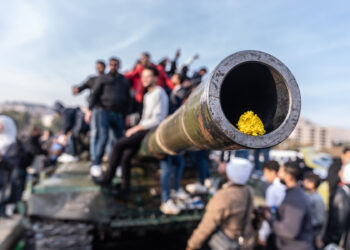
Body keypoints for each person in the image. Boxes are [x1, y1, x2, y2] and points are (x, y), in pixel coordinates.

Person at [93, 66, 169, 198]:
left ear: (156, 78)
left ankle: (107, 179)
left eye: (148, 76)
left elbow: (158, 119)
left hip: (151, 131)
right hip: (144, 128)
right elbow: (145, 118)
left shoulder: (159, 92)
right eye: (143, 77)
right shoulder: (147, 95)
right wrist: (136, 128)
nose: (145, 79)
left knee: (118, 144)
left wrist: (136, 129)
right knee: (126, 156)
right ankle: (125, 189)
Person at [186, 157, 255, 250]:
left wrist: (192, 245)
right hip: (246, 242)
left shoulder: (224, 195)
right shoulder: (249, 191)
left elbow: (208, 224)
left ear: (230, 174)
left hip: (227, 243)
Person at [87, 57, 130, 172]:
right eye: (111, 64)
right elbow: (94, 94)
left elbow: (128, 99)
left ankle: (116, 165)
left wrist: (127, 115)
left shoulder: (124, 81)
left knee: (117, 140)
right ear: (109, 65)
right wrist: (89, 110)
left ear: (119, 66)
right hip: (104, 111)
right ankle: (96, 164)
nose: (113, 66)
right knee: (103, 137)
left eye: (116, 64)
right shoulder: (103, 78)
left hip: (119, 114)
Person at [265, 161, 314, 250]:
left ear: (289, 177)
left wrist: (269, 218)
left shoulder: (295, 199)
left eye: (280, 172)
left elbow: (289, 230)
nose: (278, 175)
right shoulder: (295, 194)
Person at [72, 60, 106, 162]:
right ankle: (94, 157)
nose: (99, 68)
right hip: (95, 109)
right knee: (95, 133)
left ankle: (104, 155)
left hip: (107, 109)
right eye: (98, 67)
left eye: (101, 66)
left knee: (105, 134)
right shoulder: (92, 79)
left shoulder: (108, 78)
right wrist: (76, 89)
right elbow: (81, 87)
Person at [321, 163, 350, 249]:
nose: (339, 173)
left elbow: (339, 219)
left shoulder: (342, 192)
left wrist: (331, 239)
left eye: (342, 170)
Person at [258, 160, 286, 249]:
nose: (265, 176)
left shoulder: (273, 189)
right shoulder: (285, 186)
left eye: (266, 173)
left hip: (274, 230)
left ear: (273, 172)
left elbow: (269, 213)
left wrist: (263, 234)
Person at [302, 172, 326, 247]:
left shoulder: (317, 199)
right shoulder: (308, 195)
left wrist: (305, 223)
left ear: (312, 184)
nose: (303, 182)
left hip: (312, 234)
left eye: (306, 181)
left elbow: (320, 219)